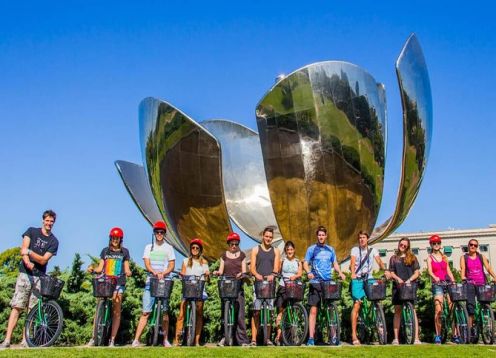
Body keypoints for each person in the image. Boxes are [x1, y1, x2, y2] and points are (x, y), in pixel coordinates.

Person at [0, 210, 59, 349]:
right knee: (17, 306)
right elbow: (23, 249)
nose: (49, 223)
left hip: (39, 276)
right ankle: (7, 340)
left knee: (32, 310)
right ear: (43, 220)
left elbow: (44, 260)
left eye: (52, 221)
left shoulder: (54, 241)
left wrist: (30, 253)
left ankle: (25, 341)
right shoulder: (31, 231)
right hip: (25, 275)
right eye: (47, 220)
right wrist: (27, 260)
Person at [132, 221, 176, 347]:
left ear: (164, 234)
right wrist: (154, 272)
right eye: (157, 232)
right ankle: (136, 339)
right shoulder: (148, 247)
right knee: (146, 311)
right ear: (154, 233)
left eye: (162, 232)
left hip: (164, 281)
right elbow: (147, 263)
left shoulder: (169, 248)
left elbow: (172, 265)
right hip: (151, 281)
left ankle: (165, 339)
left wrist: (164, 272)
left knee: (165, 312)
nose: (159, 234)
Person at [88, 227, 132, 347]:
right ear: (110, 238)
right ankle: (93, 338)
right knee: (99, 308)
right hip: (106, 282)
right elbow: (100, 267)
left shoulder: (124, 252)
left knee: (116, 310)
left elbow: (127, 267)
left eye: (117, 238)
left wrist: (128, 272)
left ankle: (112, 339)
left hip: (118, 282)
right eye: (113, 237)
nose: (115, 240)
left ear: (120, 239)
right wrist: (93, 269)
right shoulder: (105, 251)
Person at [303, 226, 346, 346]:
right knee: (314, 310)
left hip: (328, 282)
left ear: (326, 236)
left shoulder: (330, 249)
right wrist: (308, 272)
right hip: (315, 282)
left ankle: (333, 337)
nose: (321, 237)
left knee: (331, 310)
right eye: (319, 235)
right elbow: (305, 263)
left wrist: (340, 273)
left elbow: (335, 263)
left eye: (323, 235)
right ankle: (311, 338)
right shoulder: (312, 249)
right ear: (317, 236)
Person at [349, 230, 389, 346]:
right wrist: (352, 274)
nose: (362, 239)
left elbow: (379, 261)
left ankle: (379, 324)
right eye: (360, 237)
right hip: (357, 278)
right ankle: (353, 335)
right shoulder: (355, 250)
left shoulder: (373, 250)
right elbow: (352, 263)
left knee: (376, 299)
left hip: (369, 278)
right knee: (357, 303)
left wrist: (385, 270)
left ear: (367, 239)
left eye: (364, 237)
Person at [213, 232, 250, 347]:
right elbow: (221, 269)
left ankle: (242, 341)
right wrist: (217, 272)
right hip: (227, 286)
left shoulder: (242, 255)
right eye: (232, 244)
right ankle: (224, 338)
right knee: (224, 314)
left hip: (238, 286)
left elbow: (244, 271)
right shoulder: (224, 255)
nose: (234, 246)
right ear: (228, 244)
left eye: (236, 244)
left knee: (240, 315)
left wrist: (242, 274)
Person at [173, 238, 210, 346]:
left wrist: (207, 273)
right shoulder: (185, 261)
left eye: (197, 248)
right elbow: (183, 273)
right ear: (190, 249)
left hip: (199, 288)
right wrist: (181, 274)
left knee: (199, 314)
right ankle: (177, 339)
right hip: (188, 288)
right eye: (193, 247)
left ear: (200, 250)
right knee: (181, 315)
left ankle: (197, 341)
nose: (195, 249)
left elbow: (207, 277)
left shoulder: (204, 262)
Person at [386, 237, 421, 345]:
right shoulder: (393, 258)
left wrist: (409, 280)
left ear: (408, 247)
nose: (403, 246)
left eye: (405, 245)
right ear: (399, 244)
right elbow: (391, 272)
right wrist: (398, 279)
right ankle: (396, 338)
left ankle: (416, 338)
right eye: (401, 244)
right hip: (398, 287)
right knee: (397, 311)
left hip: (409, 286)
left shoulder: (412, 257)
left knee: (413, 310)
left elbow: (417, 272)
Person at [250, 226, 280, 346]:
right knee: (256, 312)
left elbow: (276, 267)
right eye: (266, 236)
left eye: (270, 237)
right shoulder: (255, 249)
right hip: (258, 284)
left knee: (269, 312)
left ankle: (267, 339)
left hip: (270, 284)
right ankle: (253, 339)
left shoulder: (276, 251)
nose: (268, 239)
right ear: (263, 236)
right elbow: (252, 268)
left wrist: (273, 274)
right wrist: (257, 275)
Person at [459, 238, 496, 335]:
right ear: (468, 246)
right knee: (470, 307)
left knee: (485, 304)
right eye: (471, 244)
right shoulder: (464, 257)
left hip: (482, 283)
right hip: (470, 284)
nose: (473, 246)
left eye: (475, 245)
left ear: (477, 247)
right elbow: (463, 269)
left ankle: (487, 327)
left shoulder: (481, 256)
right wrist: (463, 277)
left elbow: (488, 268)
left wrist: (495, 277)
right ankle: (470, 330)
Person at [426, 234, 456, 344]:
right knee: (438, 309)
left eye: (438, 243)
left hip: (447, 282)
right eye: (434, 243)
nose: (436, 245)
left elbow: (448, 270)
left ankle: (455, 334)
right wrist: (435, 278)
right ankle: (438, 335)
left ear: (440, 244)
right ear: (431, 245)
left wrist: (453, 280)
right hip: (437, 284)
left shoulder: (444, 257)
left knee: (452, 308)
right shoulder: (430, 258)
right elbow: (429, 271)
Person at [274, 240, 303, 345]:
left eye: (291, 249)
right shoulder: (282, 260)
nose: (289, 251)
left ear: (294, 250)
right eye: (288, 250)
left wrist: (295, 276)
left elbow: (300, 273)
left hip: (294, 287)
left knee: (293, 311)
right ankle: (279, 336)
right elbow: (278, 271)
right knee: (281, 312)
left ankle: (293, 337)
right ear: (285, 251)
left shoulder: (298, 261)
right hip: (283, 286)